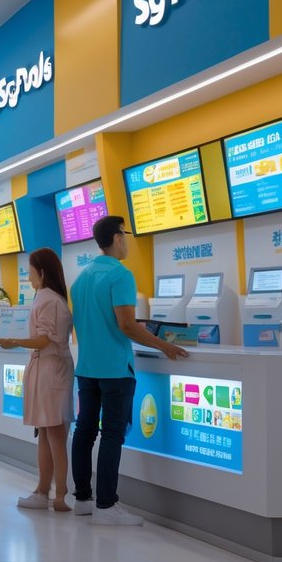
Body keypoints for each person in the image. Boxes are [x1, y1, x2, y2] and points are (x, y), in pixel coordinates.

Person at [71, 215, 188, 525]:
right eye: (124, 234)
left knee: (84, 432)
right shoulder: (121, 276)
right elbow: (126, 325)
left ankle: (83, 498)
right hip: (114, 371)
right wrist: (164, 346)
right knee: (111, 436)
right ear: (117, 237)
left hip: (87, 369)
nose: (127, 241)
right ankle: (107, 506)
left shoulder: (81, 279)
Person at [0, 248, 75, 512]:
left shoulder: (48, 300)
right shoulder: (49, 298)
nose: (28, 277)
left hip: (51, 371)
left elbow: (44, 339)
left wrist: (13, 341)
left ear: (43, 271)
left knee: (54, 434)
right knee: (46, 433)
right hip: (46, 370)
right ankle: (44, 490)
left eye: (30, 271)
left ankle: (58, 494)